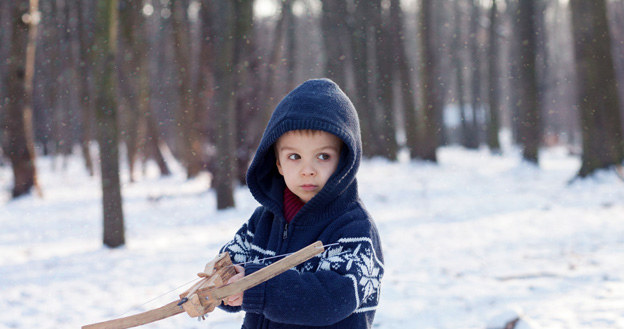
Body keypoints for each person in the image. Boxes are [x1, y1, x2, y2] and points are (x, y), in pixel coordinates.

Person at [216, 78, 384, 328]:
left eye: (323, 156)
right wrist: (222, 283)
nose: (308, 170)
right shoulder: (263, 220)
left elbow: (331, 298)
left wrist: (254, 289)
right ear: (279, 164)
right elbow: (234, 260)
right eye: (295, 156)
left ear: (344, 161)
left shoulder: (353, 229)